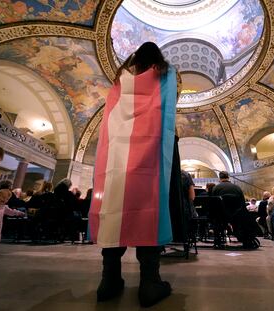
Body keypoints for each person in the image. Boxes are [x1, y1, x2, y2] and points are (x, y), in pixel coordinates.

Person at [89, 42, 179, 307]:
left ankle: (109, 281)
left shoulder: (120, 80)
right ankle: (150, 283)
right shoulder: (166, 74)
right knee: (148, 211)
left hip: (116, 157)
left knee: (114, 211)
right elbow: (169, 109)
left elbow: (110, 117)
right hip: (149, 157)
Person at [0, 189, 26, 256]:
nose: (4, 200)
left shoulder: (4, 207)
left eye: (7, 199)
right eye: (3, 197)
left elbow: (11, 212)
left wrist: (19, 213)